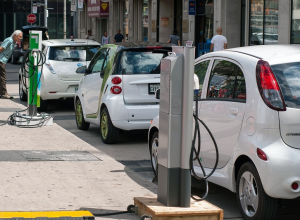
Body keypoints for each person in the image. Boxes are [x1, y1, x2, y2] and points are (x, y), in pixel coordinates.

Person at [0, 30, 23, 99]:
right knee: (3, 77)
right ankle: (4, 94)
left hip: (3, 61)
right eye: (19, 37)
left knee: (1, 77)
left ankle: (2, 93)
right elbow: (1, 48)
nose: (20, 38)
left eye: (21, 37)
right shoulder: (9, 40)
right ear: (15, 35)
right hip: (1, 60)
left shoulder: (13, 42)